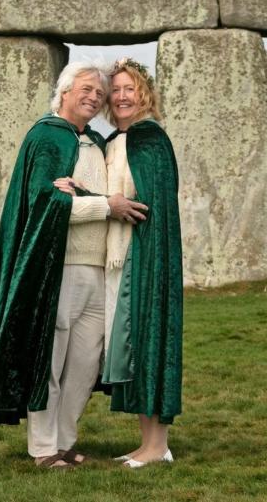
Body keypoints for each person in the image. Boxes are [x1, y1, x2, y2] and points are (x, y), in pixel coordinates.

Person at [0, 60, 148, 470]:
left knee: (85, 362)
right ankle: (43, 448)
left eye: (99, 93)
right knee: (53, 356)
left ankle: (64, 441)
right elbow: (42, 201)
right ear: (63, 92)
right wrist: (103, 205)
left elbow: (84, 194)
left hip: (99, 268)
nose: (94, 97)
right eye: (86, 89)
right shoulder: (46, 137)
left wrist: (85, 194)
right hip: (58, 266)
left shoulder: (95, 142)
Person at [55, 58, 183, 468]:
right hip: (121, 258)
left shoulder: (150, 140)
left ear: (144, 94)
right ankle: (147, 443)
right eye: (117, 91)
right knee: (132, 346)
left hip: (144, 256)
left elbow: (149, 205)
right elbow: (116, 198)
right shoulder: (117, 140)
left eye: (130, 89)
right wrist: (78, 189)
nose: (122, 96)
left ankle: (157, 445)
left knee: (148, 343)